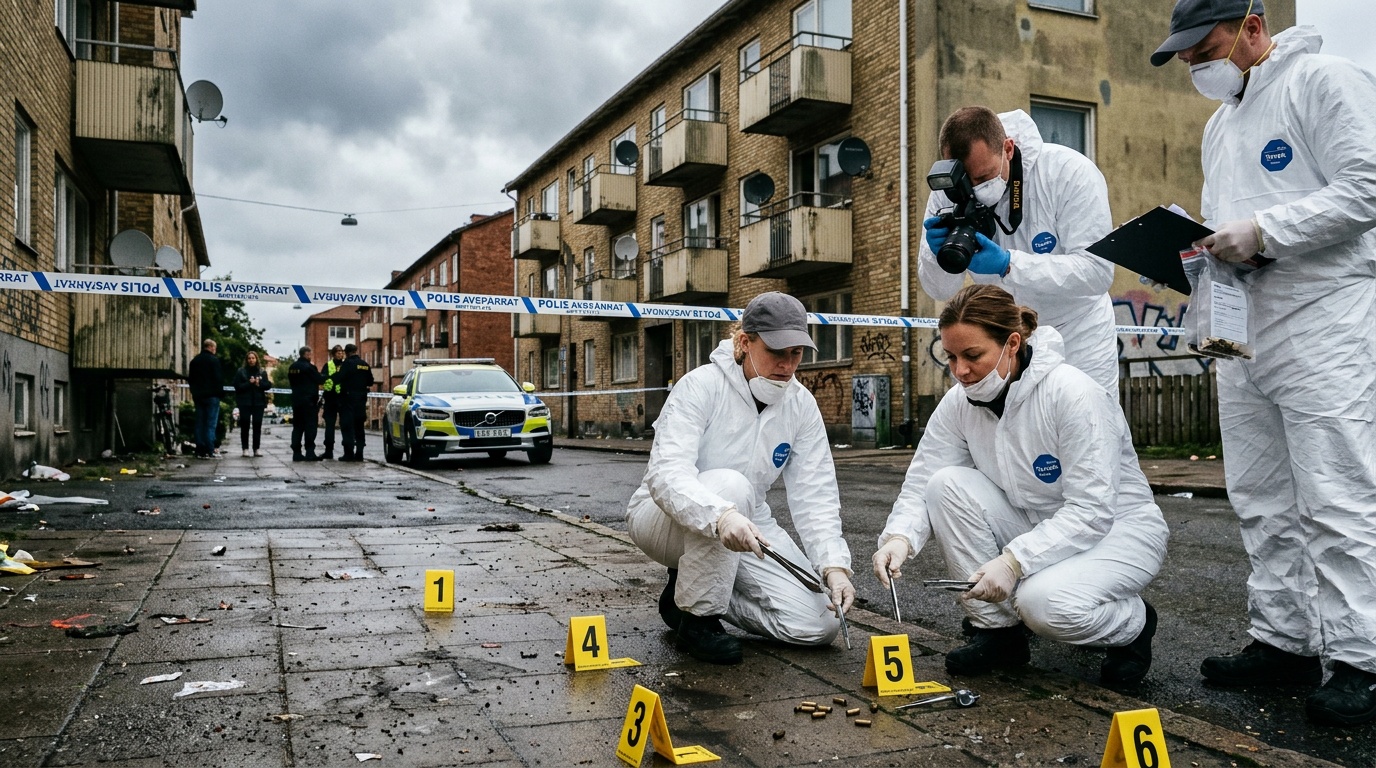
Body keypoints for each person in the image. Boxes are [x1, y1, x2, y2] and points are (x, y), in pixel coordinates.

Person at [1152, 0, 1376, 727]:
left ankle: (1360, 658)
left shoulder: (1324, 80)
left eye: (1204, 49)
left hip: (1324, 314)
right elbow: (1232, 232)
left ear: (1253, 27)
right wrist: (1197, 248)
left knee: (1336, 492)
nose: (1194, 65)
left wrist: (1266, 229)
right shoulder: (1220, 126)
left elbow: (1367, 186)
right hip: (1244, 323)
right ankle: (1283, 638)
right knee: (1260, 493)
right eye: (1186, 56)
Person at [873, 285, 1167, 687]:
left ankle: (1132, 625)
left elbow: (1092, 510)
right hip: (1037, 523)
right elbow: (925, 476)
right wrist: (900, 539)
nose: (959, 371)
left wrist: (1014, 562)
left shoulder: (1072, 394)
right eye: (951, 357)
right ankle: (998, 634)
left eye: (972, 355)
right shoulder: (959, 402)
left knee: (1044, 605)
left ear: (1013, 343)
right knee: (944, 485)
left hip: (1117, 531)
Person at [626, 291, 855, 665]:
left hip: (747, 519)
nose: (787, 364)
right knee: (732, 486)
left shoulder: (800, 405)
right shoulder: (701, 386)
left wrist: (833, 566)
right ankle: (697, 619)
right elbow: (666, 474)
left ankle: (683, 596)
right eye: (776, 352)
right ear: (744, 342)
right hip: (661, 519)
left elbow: (815, 493)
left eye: (795, 353)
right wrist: (720, 515)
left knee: (818, 625)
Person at [920, 107, 1119, 393]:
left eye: (983, 177)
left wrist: (1009, 265)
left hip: (1077, 333)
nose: (974, 190)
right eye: (967, 182)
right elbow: (939, 290)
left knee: (1087, 426)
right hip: (1005, 338)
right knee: (1010, 434)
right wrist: (937, 257)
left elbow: (1097, 273)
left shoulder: (1067, 172)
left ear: (1008, 148)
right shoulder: (947, 189)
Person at [187, 338, 224, 459]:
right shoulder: (214, 361)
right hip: (212, 396)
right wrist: (220, 393)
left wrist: (194, 392)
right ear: (212, 347)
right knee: (210, 423)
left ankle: (200, 449)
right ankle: (210, 449)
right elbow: (218, 379)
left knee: (200, 422)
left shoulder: (194, 361)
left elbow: (191, 379)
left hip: (198, 396)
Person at [287, 346, 325, 462]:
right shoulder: (309, 367)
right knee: (310, 427)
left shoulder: (292, 367)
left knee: (297, 427)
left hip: (296, 400)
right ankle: (310, 452)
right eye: (310, 354)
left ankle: (296, 453)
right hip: (309, 401)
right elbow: (319, 379)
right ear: (307, 354)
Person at [337, 343, 374, 462]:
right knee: (359, 427)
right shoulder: (364, 364)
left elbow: (339, 378)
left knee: (347, 427)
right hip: (361, 401)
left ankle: (348, 454)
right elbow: (371, 381)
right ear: (356, 351)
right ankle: (360, 454)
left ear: (347, 353)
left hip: (348, 401)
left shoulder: (347, 364)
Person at [232, 350, 272, 457]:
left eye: (253, 358)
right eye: (249, 358)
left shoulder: (262, 371)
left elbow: (268, 385)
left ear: (256, 359)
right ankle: (245, 448)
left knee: (257, 425)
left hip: (258, 402)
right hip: (245, 402)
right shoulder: (241, 372)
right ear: (246, 360)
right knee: (244, 425)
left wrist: (260, 384)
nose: (251, 360)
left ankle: (256, 448)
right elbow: (237, 386)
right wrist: (248, 384)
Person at [320, 345, 346, 460]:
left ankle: (347, 451)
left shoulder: (346, 365)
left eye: (342, 352)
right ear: (333, 354)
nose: (340, 354)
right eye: (338, 352)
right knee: (329, 426)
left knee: (345, 425)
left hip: (343, 398)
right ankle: (328, 451)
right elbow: (322, 378)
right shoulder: (328, 365)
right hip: (330, 398)